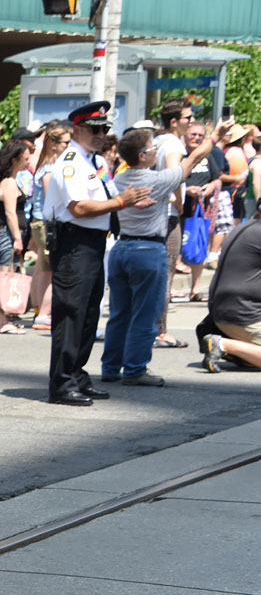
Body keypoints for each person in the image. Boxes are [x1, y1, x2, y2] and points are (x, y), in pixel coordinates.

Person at [42, 101, 154, 406]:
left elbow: (105, 197)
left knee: (89, 313)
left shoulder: (94, 161)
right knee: (71, 312)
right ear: (78, 129)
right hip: (74, 242)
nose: (102, 134)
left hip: (93, 241)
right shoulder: (70, 162)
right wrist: (121, 202)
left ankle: (76, 375)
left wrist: (127, 201)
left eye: (104, 129)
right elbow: (78, 207)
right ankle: (62, 383)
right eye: (95, 129)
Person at [102, 121, 228, 386]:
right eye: (152, 148)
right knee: (146, 313)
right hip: (148, 249)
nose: (156, 151)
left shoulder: (118, 180)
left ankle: (111, 367)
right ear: (142, 156)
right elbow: (194, 158)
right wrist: (215, 136)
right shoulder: (157, 180)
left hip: (122, 247)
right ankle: (135, 369)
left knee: (119, 313)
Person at [153, 97, 193, 348]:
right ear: (175, 121)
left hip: (154, 213)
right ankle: (160, 330)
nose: (192, 121)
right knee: (166, 272)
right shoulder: (173, 144)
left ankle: (152, 327)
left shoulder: (157, 140)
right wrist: (178, 200)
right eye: (188, 118)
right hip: (167, 213)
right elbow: (173, 174)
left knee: (157, 272)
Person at [203, 214, 261, 371]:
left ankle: (245, 352)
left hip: (225, 313)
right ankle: (223, 345)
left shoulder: (245, 227)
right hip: (243, 315)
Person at [0, 139, 32, 334]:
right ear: (14, 160)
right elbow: (10, 212)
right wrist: (17, 238)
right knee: (4, 276)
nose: (28, 162)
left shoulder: (6, 181)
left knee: (4, 276)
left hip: (5, 232)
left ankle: (0, 320)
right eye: (25, 158)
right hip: (7, 233)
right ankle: (1, 320)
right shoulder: (9, 183)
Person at [29, 126, 71, 329]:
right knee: (50, 271)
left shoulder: (48, 166)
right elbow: (51, 199)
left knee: (42, 269)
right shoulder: (48, 169)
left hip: (41, 221)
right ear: (54, 145)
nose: (69, 146)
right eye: (66, 143)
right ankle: (44, 314)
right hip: (46, 222)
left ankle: (40, 310)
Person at [181, 122, 222, 300]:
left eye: (200, 135)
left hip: (200, 210)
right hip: (179, 208)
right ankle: (167, 290)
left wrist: (211, 187)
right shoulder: (179, 155)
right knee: (175, 248)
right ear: (186, 136)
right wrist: (186, 190)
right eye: (193, 134)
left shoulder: (207, 157)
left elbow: (217, 179)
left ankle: (195, 290)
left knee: (199, 247)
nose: (196, 138)